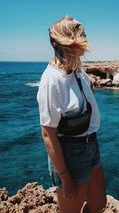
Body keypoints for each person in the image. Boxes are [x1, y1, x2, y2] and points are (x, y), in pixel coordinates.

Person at [36, 16, 107, 213]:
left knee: (99, 203)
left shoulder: (76, 69)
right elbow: (47, 134)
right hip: (71, 153)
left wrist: (89, 85)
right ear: (68, 42)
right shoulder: (51, 80)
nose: (85, 38)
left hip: (91, 145)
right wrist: (65, 177)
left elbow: (82, 93)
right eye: (81, 35)